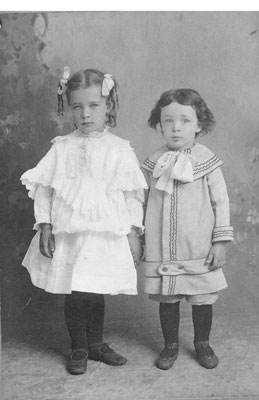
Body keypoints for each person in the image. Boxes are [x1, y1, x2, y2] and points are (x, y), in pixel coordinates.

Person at [21, 68, 147, 375]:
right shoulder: (61, 146)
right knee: (76, 290)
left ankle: (96, 344)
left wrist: (134, 233)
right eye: (77, 106)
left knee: (95, 288)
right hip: (71, 232)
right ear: (69, 108)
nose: (85, 114)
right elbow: (45, 190)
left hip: (105, 234)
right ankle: (78, 345)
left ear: (109, 106)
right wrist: (45, 226)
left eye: (93, 106)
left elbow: (132, 196)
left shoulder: (119, 149)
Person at [142, 88, 233, 370]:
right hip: (162, 245)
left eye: (184, 121)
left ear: (199, 125)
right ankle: (170, 344)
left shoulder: (207, 162)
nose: (176, 128)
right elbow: (143, 202)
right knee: (168, 297)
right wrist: (141, 238)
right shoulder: (154, 162)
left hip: (198, 244)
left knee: (201, 296)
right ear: (159, 125)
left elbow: (221, 201)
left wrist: (219, 242)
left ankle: (202, 342)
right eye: (168, 121)